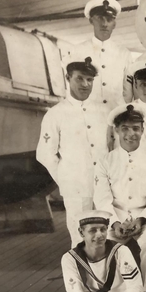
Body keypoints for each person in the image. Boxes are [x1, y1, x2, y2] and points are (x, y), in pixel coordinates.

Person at [93, 104, 146, 292]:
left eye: (136, 128)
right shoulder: (105, 162)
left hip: (144, 217)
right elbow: (102, 198)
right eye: (125, 128)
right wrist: (114, 223)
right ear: (116, 130)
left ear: (143, 129)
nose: (131, 134)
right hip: (113, 218)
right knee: (101, 242)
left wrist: (142, 220)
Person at [36, 57, 108, 247]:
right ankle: (81, 275)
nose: (85, 84)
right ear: (68, 78)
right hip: (76, 187)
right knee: (80, 237)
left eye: (90, 80)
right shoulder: (55, 114)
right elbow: (44, 153)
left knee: (107, 235)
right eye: (80, 79)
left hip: (103, 186)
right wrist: (65, 178)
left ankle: (106, 276)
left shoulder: (102, 112)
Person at [66, 0, 132, 108]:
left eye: (109, 19)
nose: (104, 24)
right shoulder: (77, 50)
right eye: (100, 18)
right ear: (91, 21)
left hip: (115, 115)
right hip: (88, 116)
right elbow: (71, 88)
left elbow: (128, 90)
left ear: (114, 24)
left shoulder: (123, 53)